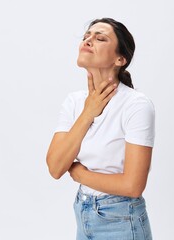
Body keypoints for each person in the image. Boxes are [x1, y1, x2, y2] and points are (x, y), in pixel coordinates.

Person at [46, 18, 155, 240]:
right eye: (87, 35)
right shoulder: (74, 102)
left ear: (120, 59)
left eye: (100, 37)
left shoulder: (136, 105)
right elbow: (56, 167)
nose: (88, 40)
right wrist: (88, 113)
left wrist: (80, 174)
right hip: (83, 213)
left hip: (122, 220)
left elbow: (133, 186)